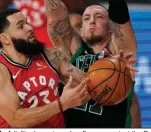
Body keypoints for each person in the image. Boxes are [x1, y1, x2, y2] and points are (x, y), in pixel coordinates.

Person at [0, 9, 91, 128]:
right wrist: (61, 104)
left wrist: (106, 64)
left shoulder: (50, 56)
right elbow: (16, 119)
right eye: (21, 26)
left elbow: (87, 81)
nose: (29, 28)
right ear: (5, 39)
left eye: (27, 22)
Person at [45, 0, 141, 128]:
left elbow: (120, 14)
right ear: (81, 30)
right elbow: (56, 14)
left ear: (111, 27)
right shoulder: (71, 51)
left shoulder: (120, 53)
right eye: (86, 18)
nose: (92, 21)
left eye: (99, 17)